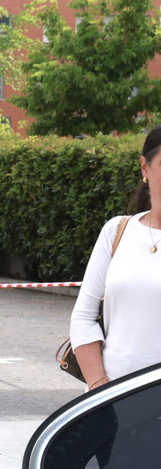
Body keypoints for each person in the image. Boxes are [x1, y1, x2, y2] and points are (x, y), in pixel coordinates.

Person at [70, 125, 161, 390]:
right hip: (112, 401)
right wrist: (99, 388)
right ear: (145, 168)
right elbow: (83, 318)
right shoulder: (116, 231)